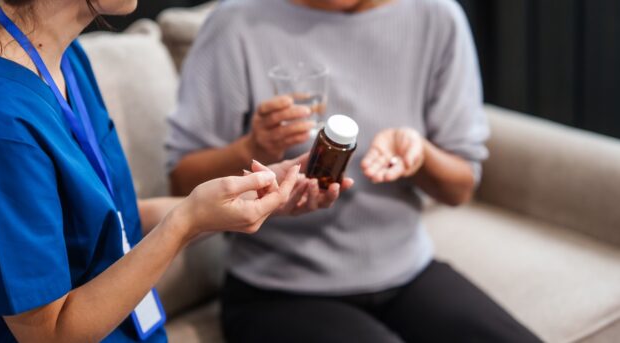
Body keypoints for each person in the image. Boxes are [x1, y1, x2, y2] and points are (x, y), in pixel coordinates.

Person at [167, 0, 543, 342]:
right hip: (276, 289)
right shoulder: (236, 23)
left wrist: (420, 156)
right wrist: (253, 148)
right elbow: (182, 180)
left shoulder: (435, 17)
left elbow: (461, 188)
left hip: (407, 271)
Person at [0, 0, 350, 341]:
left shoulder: (66, 59)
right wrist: (184, 223)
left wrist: (240, 198)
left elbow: (113, 221)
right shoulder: (3, 121)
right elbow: (48, 334)